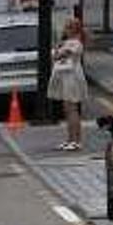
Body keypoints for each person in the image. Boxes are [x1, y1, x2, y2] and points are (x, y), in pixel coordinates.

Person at [49, 18, 88, 151]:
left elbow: (60, 55)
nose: (64, 30)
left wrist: (59, 50)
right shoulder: (66, 42)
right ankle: (70, 139)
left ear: (73, 30)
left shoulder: (76, 43)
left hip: (72, 77)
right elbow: (56, 54)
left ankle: (76, 140)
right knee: (67, 109)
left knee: (72, 109)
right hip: (65, 77)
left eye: (67, 27)